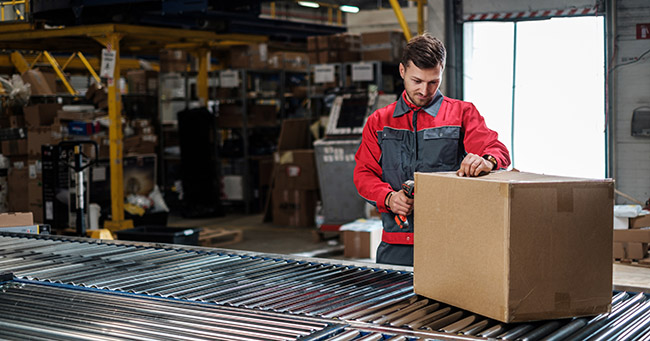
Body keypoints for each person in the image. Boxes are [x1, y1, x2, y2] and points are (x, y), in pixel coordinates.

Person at [353, 33, 511, 266]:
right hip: (396, 247)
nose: (425, 91)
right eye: (417, 81)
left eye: (433, 82)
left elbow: (498, 151)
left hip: (450, 247)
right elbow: (363, 174)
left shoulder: (462, 114)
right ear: (402, 71)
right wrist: (388, 198)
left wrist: (486, 160)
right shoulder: (379, 122)